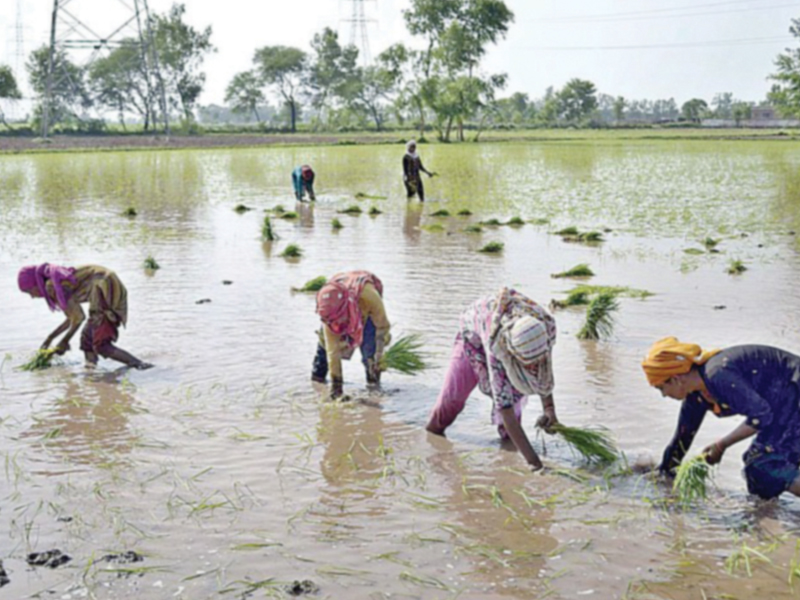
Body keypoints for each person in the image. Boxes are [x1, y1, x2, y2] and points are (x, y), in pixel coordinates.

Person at [642, 337, 800, 500]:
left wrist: (721, 445)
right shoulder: (697, 396)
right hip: (783, 406)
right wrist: (665, 473)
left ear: (675, 379)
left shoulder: (717, 374)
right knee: (760, 484)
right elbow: (682, 439)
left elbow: (761, 417)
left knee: (764, 466)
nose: (663, 395)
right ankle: (767, 519)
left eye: (661, 388)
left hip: (794, 393)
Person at [426, 288, 558, 471]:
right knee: (451, 400)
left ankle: (508, 446)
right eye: (528, 365)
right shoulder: (497, 348)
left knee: (514, 410)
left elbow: (544, 371)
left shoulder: (545, 328)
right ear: (513, 356)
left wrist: (550, 410)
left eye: (537, 362)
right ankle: (432, 437)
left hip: (513, 335)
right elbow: (505, 409)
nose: (534, 369)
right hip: (473, 338)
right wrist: (536, 465)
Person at [18, 263, 152, 370]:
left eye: (29, 291)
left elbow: (78, 318)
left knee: (101, 344)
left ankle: (141, 365)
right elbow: (71, 318)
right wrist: (50, 339)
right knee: (87, 340)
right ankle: (90, 371)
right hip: (105, 286)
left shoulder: (52, 286)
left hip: (104, 286)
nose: (32, 296)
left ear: (36, 283)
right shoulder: (55, 283)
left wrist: (64, 341)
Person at [312, 271, 391, 399]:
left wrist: (379, 355)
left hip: (366, 313)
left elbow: (382, 328)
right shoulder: (329, 314)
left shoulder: (369, 297)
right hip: (337, 306)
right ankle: (316, 383)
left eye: (339, 319)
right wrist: (336, 389)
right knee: (323, 348)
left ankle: (374, 390)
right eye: (332, 322)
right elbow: (333, 353)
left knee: (370, 357)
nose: (336, 324)